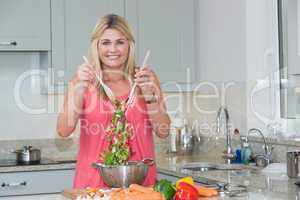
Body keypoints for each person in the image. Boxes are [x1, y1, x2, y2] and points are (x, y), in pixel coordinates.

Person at [56, 14, 170, 188]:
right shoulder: (81, 81)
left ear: (129, 45)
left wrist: (149, 95)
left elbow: (163, 131)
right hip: (93, 185)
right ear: (96, 45)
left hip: (140, 185)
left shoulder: (146, 78)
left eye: (120, 42)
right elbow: (64, 130)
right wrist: (79, 87)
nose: (113, 50)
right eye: (106, 42)